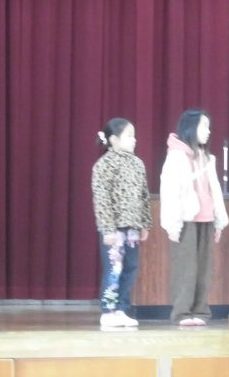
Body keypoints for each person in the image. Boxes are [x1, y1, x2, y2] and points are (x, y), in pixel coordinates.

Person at [159, 109, 229, 326]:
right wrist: (172, 225)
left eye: (208, 126)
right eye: (204, 126)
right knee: (186, 267)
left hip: (206, 220)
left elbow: (214, 190)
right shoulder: (176, 156)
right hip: (186, 221)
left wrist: (219, 220)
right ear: (191, 128)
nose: (208, 131)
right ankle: (182, 312)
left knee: (203, 268)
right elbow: (170, 192)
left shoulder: (206, 157)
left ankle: (200, 311)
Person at [91, 117, 152, 328]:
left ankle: (122, 309)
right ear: (114, 139)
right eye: (129, 135)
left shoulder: (138, 163)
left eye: (134, 136)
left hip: (133, 227)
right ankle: (108, 310)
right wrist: (107, 228)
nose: (134, 140)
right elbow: (102, 199)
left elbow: (144, 196)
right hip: (114, 228)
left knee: (130, 268)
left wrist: (145, 223)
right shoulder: (104, 165)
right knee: (114, 269)